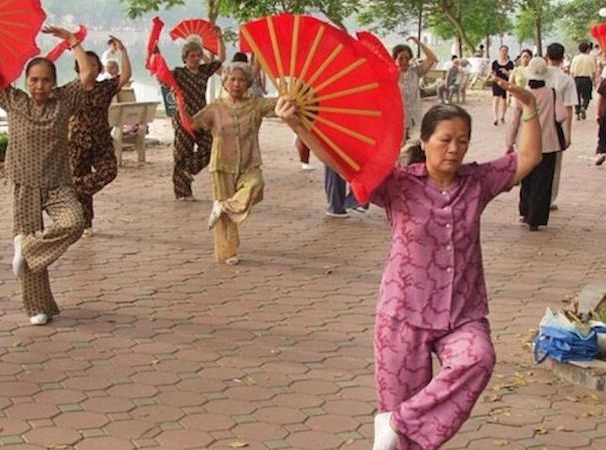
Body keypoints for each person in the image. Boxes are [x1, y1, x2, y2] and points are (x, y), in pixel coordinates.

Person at [276, 78, 542, 450]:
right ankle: (396, 424)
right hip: (402, 316)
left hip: (462, 313)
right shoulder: (398, 184)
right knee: (399, 445)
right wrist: (298, 125)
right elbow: (343, 163)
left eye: (462, 140)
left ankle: (397, 420)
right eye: (445, 139)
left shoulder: (478, 182)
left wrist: (529, 105)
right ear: (425, 141)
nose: (454, 149)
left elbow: (529, 158)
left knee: (478, 358)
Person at [0, 10, 92, 325]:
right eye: (34, 80)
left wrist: (72, 41)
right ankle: (37, 307)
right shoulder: (14, 100)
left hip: (58, 184)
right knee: (30, 243)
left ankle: (25, 247)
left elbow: (88, 76)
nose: (39, 85)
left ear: (54, 83)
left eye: (46, 80)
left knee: (74, 223)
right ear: (26, 81)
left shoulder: (63, 102)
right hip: (24, 185)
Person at [186, 62, 277, 265]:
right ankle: (228, 253)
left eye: (241, 80)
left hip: (249, 162)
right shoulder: (216, 108)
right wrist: (180, 105)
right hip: (222, 163)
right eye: (232, 79)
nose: (236, 84)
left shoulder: (256, 104)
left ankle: (224, 205)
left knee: (256, 184)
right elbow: (192, 124)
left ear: (248, 83)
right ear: (225, 83)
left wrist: (293, 99)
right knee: (225, 218)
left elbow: (279, 105)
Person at [68, 40, 132, 237]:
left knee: (108, 171)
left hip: (101, 140)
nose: (90, 68)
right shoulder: (71, 90)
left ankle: (74, 190)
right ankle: (85, 224)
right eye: (86, 64)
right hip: (77, 142)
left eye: (94, 65)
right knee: (82, 177)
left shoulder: (104, 87)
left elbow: (126, 75)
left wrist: (123, 51)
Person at [159, 30, 225, 201]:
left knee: (212, 146)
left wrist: (219, 38)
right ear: (185, 57)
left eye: (198, 55)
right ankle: (183, 193)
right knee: (182, 152)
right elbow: (162, 77)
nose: (196, 58)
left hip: (201, 118)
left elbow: (220, 60)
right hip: (183, 118)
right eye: (192, 55)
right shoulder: (179, 73)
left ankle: (188, 169)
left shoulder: (204, 71)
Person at [506, 57, 568, 231]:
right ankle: (536, 217)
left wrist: (509, 142)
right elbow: (561, 116)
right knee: (543, 181)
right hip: (548, 143)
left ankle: (525, 211)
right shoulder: (553, 93)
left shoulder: (521, 93)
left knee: (527, 178)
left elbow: (514, 120)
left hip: (525, 142)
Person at [545, 43, 578, 210]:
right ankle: (549, 199)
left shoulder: (537, 75)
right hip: (556, 126)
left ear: (546, 55)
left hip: (535, 125)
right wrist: (568, 133)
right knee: (554, 165)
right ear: (563, 57)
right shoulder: (566, 79)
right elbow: (568, 108)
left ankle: (530, 197)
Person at [393, 37, 438, 155]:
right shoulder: (390, 74)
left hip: (414, 117)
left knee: (415, 149)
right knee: (397, 150)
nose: (404, 61)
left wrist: (418, 43)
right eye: (401, 58)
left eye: (407, 58)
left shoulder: (415, 72)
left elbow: (432, 59)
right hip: (397, 119)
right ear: (394, 59)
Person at [570, 42, 596, 120]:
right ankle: (584, 107)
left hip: (577, 79)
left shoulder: (576, 58)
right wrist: (593, 80)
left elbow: (572, 71)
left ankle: (577, 113)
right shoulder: (591, 58)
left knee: (576, 96)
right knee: (587, 96)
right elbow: (594, 71)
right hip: (587, 79)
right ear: (588, 49)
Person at [490, 45, 514, 125]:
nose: (504, 52)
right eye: (502, 51)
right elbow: (492, 72)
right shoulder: (495, 63)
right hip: (496, 82)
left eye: (505, 51)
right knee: (495, 99)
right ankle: (495, 117)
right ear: (499, 52)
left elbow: (512, 74)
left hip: (505, 83)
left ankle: (502, 116)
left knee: (504, 101)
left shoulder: (510, 63)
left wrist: (506, 72)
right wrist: (492, 77)